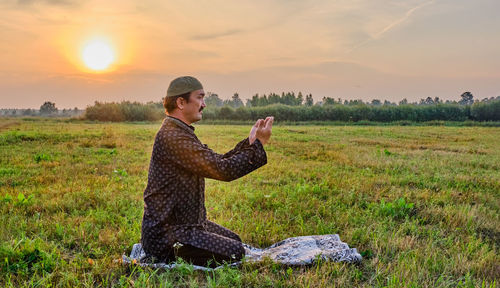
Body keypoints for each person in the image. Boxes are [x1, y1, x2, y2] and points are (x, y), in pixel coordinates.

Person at [141, 76, 273, 267]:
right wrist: (259, 145)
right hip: (167, 234)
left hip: (189, 225)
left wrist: (250, 144)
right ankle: (167, 254)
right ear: (180, 102)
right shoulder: (173, 137)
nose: (204, 104)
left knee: (235, 241)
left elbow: (217, 161)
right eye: (200, 98)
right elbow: (223, 170)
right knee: (235, 252)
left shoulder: (180, 132)